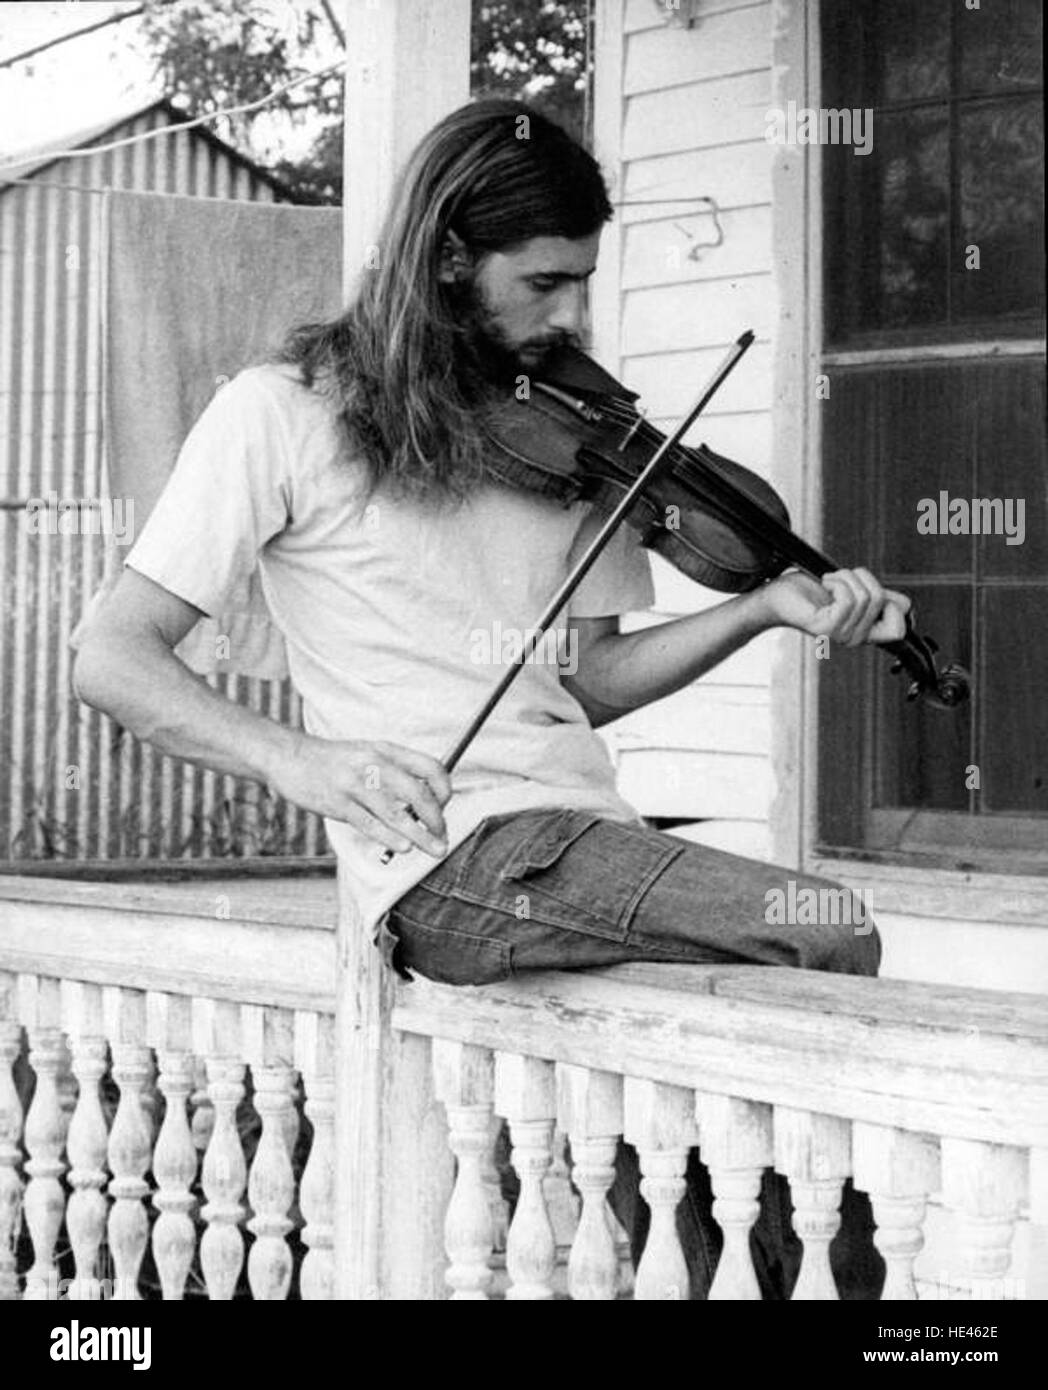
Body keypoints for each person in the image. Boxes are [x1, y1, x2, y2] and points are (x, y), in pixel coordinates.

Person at [73, 99, 902, 1299]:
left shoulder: (564, 436)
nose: (571, 316)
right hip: (448, 861)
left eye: (584, 284)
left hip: (580, 842)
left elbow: (584, 682)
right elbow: (112, 654)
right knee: (820, 915)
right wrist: (305, 764)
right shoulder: (282, 409)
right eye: (548, 281)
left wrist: (762, 606)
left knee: (671, 1141)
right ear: (449, 256)